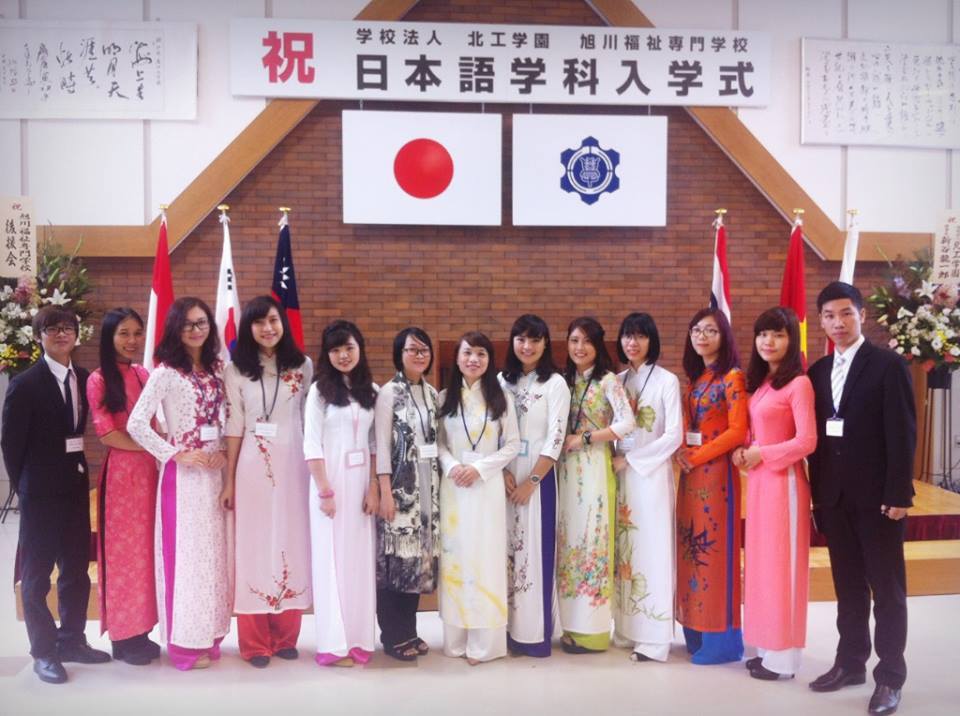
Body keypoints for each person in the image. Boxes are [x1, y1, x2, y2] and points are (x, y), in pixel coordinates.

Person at [806, 281, 916, 716]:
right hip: (834, 499)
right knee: (848, 588)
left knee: (887, 590)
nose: (838, 322)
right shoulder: (818, 371)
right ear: (821, 321)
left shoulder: (888, 365)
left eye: (845, 313)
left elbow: (902, 432)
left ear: (861, 315)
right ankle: (850, 663)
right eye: (829, 316)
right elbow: (817, 442)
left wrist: (899, 492)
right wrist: (817, 498)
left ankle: (890, 677)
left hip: (879, 500)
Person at [2, 306, 111, 684]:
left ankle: (72, 640)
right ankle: (44, 651)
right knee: (36, 577)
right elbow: (11, 445)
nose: (61, 334)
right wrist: (26, 488)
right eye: (52, 328)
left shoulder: (85, 378)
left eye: (67, 328)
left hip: (75, 490)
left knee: (76, 570)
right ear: (39, 336)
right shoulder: (25, 384)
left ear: (76, 335)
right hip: (39, 495)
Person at [127, 297, 232, 671]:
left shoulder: (219, 369)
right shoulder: (166, 372)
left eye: (201, 322)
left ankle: (209, 634)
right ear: (175, 328)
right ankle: (185, 643)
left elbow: (225, 417)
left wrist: (223, 450)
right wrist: (174, 454)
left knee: (213, 559)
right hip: (183, 481)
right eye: (188, 324)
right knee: (186, 560)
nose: (196, 329)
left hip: (214, 474)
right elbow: (136, 423)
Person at [222, 296, 313, 668]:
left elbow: (309, 420)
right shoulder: (235, 370)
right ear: (249, 328)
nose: (268, 328)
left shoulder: (303, 366)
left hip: (295, 466)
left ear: (283, 323)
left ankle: (286, 635)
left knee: (293, 543)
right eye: (259, 322)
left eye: (273, 320)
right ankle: (256, 641)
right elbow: (234, 426)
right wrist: (229, 481)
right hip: (252, 470)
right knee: (255, 547)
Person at [732, 307, 816, 681]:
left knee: (782, 568)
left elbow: (807, 440)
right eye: (763, 334)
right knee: (763, 567)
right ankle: (766, 649)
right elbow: (760, 430)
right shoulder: (765, 382)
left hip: (785, 485)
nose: (768, 341)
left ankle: (784, 659)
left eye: (778, 335)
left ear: (792, 340)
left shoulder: (799, 384)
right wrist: (745, 450)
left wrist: (761, 453)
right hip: (761, 483)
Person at [437, 331, 520, 664]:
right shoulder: (445, 398)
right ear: (457, 358)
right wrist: (453, 466)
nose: (474, 359)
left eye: (481, 354)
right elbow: (438, 443)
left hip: (487, 488)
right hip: (454, 487)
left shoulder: (501, 397)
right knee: (456, 558)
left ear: (489, 360)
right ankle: (457, 640)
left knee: (486, 560)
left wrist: (480, 468)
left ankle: (485, 645)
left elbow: (513, 445)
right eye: (467, 353)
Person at [86, 307, 161, 666]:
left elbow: (156, 423)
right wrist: (151, 446)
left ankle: (142, 630)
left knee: (146, 553)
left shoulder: (144, 374)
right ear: (109, 337)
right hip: (122, 477)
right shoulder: (98, 379)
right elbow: (108, 434)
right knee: (123, 557)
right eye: (123, 334)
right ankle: (123, 635)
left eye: (136, 333)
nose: (132, 340)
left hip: (151, 474)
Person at [557, 317, 635, 654]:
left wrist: (587, 437)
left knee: (593, 543)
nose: (580, 347)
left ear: (598, 345)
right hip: (565, 470)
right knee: (569, 543)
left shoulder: (607, 381)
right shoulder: (564, 380)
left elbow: (628, 422)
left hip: (594, 469)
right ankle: (571, 627)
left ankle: (593, 632)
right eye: (574, 340)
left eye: (587, 341)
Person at [303, 320, 379, 667]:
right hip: (330, 487)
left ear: (360, 348)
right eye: (335, 350)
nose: (343, 355)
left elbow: (374, 444)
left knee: (358, 562)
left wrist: (374, 487)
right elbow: (311, 444)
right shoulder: (319, 392)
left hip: (361, 487)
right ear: (327, 354)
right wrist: (324, 491)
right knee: (331, 561)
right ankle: (333, 645)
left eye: (349, 347)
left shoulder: (371, 391)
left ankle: (359, 639)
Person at [675, 307, 748, 665]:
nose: (701, 337)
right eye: (696, 331)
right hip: (691, 475)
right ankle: (695, 630)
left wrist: (697, 454)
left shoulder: (732, 377)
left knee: (713, 552)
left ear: (724, 337)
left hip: (717, 476)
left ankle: (722, 641)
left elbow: (737, 431)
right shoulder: (697, 378)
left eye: (710, 331)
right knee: (691, 548)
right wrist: (682, 450)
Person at [611, 312, 682, 663]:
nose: (632, 342)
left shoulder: (667, 381)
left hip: (650, 477)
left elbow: (674, 435)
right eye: (627, 335)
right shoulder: (617, 381)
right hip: (619, 476)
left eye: (640, 336)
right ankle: (627, 629)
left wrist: (633, 460)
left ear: (651, 341)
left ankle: (654, 640)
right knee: (626, 551)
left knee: (653, 550)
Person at [499, 315, 570, 657]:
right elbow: (490, 431)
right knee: (506, 552)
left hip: (538, 478)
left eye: (535, 340)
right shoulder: (501, 381)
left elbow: (556, 437)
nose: (527, 346)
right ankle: (505, 631)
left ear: (545, 344)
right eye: (521, 339)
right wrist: (501, 471)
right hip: (503, 475)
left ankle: (533, 636)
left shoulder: (555, 383)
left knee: (534, 554)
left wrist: (532, 481)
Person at [373, 327, 441, 661]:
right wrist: (385, 491)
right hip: (400, 492)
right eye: (412, 349)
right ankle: (392, 635)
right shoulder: (389, 393)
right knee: (395, 563)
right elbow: (382, 446)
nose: (419, 355)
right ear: (399, 354)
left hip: (428, 492)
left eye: (424, 350)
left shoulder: (432, 394)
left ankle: (409, 630)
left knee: (417, 563)